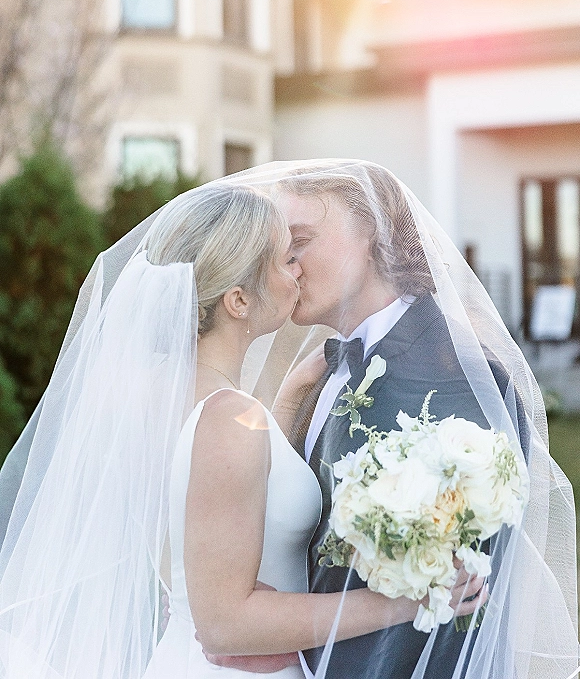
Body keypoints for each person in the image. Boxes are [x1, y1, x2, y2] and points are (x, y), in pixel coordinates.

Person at [0, 179, 482, 679]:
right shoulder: (230, 419)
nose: (297, 271)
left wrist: (287, 403)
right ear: (238, 301)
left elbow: (215, 507)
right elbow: (226, 626)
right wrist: (404, 602)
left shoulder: (158, 393)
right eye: (285, 258)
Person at [201, 161, 578, 679]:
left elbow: (458, 596)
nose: (286, 264)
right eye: (278, 249)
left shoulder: (454, 378)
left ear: (372, 233)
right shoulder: (320, 375)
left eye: (300, 241)